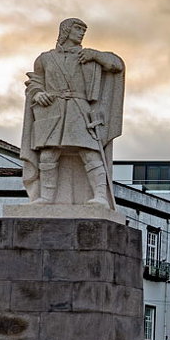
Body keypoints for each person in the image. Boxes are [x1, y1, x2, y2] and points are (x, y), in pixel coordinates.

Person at [21, 18, 125, 209]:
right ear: (66, 31)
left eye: (83, 30)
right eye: (77, 29)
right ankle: (46, 197)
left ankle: (100, 196)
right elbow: (34, 83)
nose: (81, 33)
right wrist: (38, 94)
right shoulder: (45, 58)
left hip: (79, 108)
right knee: (48, 154)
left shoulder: (88, 56)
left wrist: (95, 55)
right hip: (53, 110)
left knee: (90, 152)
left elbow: (116, 65)